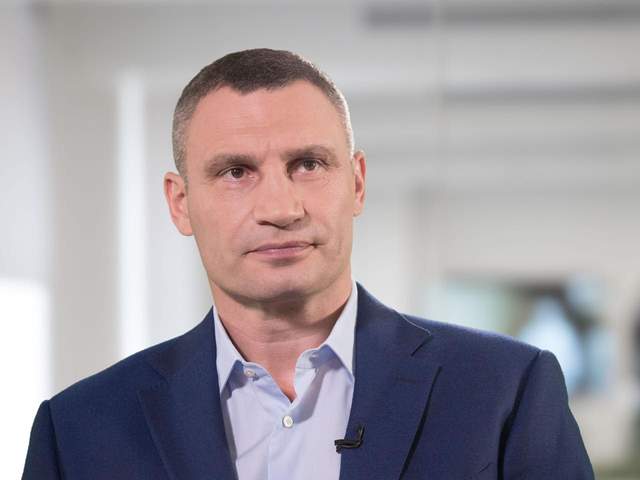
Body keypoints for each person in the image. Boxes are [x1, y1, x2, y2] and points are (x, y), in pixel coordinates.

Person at [23, 49, 594, 479]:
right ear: (180, 203)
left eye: (308, 164)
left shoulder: (504, 391)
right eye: (235, 172)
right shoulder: (77, 432)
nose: (280, 208)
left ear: (357, 183)